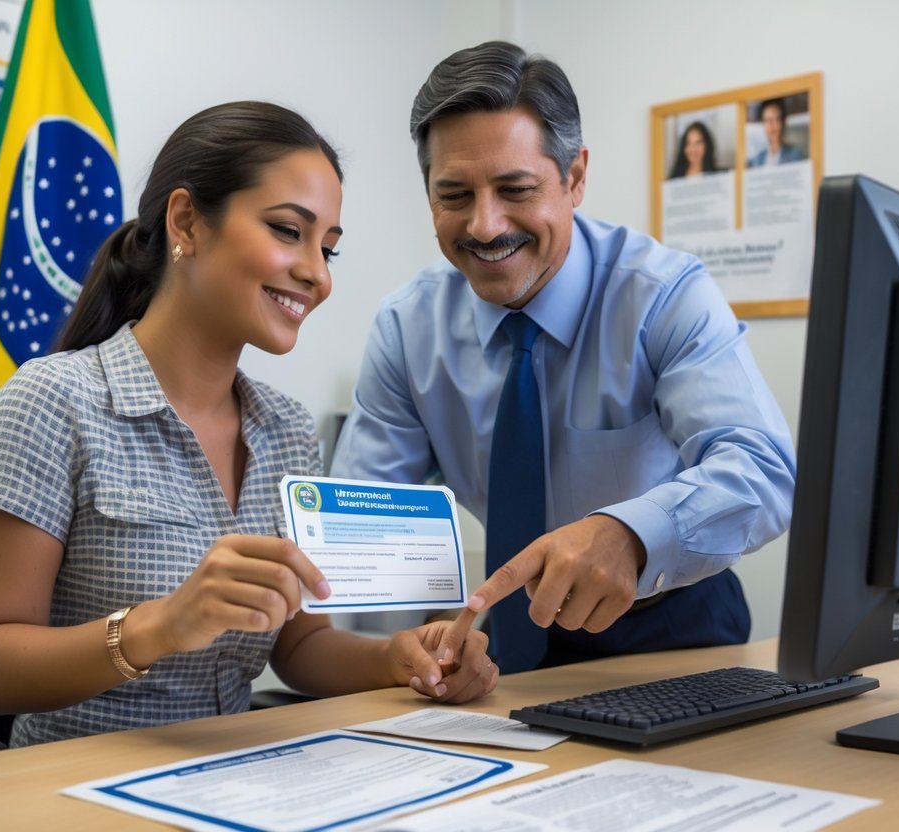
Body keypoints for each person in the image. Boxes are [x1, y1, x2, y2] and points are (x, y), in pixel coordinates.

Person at [0, 101, 497, 748]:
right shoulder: (50, 401)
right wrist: (161, 626)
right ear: (186, 221)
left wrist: (401, 658)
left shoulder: (287, 430)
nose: (317, 275)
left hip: (236, 781)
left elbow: (298, 644)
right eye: (288, 231)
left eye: (328, 249)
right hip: (72, 786)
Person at [330, 42, 796, 675]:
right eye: (455, 195)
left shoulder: (664, 295)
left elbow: (764, 468)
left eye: (515, 189)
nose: (485, 226)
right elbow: (372, 525)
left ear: (575, 177)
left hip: (672, 626)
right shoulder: (407, 329)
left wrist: (631, 534)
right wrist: (398, 657)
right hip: (506, 640)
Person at [747, 97, 805, 167]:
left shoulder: (795, 155)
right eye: (767, 120)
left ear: (783, 123)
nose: (772, 126)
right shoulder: (755, 161)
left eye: (776, 120)